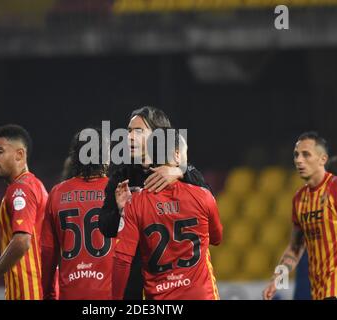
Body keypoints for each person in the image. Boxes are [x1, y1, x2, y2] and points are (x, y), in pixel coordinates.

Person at [99, 106, 212, 299]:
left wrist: (181, 171)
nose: (130, 137)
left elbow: (209, 207)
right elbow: (106, 228)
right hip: (138, 284)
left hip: (183, 283)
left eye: (138, 131)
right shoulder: (122, 176)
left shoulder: (183, 173)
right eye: (128, 131)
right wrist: (119, 209)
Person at [263, 132, 337, 300]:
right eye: (296, 155)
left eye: (306, 154)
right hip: (318, 293)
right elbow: (295, 247)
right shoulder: (299, 199)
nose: (299, 160)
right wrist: (277, 281)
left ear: (323, 159)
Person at [0, 124, 48, 300]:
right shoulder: (35, 185)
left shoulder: (21, 189)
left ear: (20, 154)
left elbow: (21, 241)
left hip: (29, 293)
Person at [41, 128, 113, 299]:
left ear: (75, 157)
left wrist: (49, 293)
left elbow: (48, 252)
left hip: (70, 293)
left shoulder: (57, 193)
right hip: (109, 294)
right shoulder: (118, 191)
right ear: (106, 157)